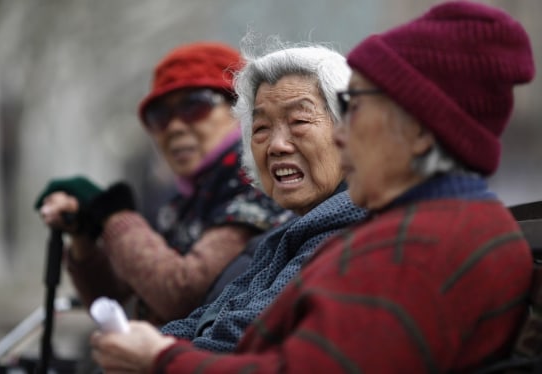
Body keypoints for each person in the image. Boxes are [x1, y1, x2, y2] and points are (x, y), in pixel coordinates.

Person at [90, 2, 536, 373]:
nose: (343, 135)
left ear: (419, 130)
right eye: (260, 129)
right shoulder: (418, 227)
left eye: (354, 107)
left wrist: (162, 358)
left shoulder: (417, 245)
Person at [35, 41, 292, 324]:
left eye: (194, 105)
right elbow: (114, 303)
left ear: (241, 110)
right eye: (159, 115)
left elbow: (179, 294)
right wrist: (84, 235)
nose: (174, 127)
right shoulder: (184, 197)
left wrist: (114, 215)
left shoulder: (256, 182)